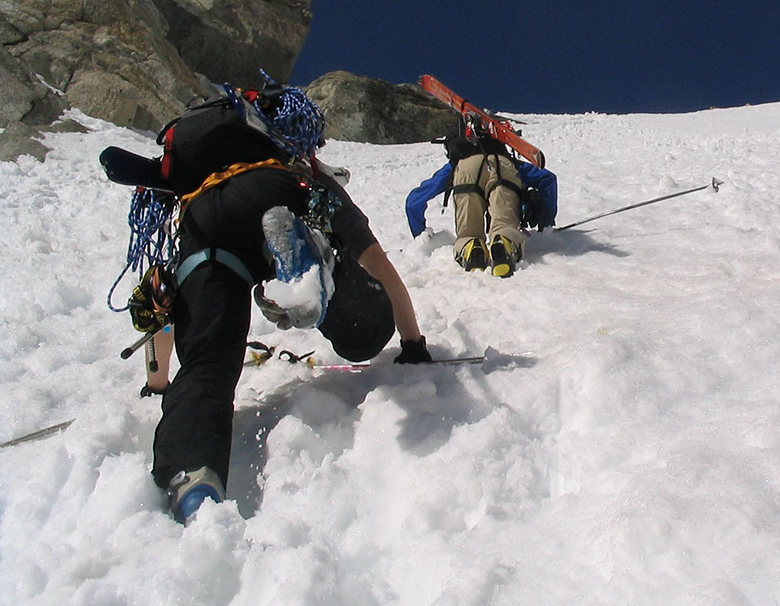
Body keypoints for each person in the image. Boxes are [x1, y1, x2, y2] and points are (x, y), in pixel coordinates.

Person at [113, 78, 432, 523]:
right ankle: (321, 266)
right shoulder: (303, 171)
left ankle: (193, 476)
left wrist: (158, 383)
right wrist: (413, 344)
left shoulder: (194, 179)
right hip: (273, 193)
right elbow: (381, 267)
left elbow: (166, 316)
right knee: (365, 334)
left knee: (207, 361)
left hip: (202, 221)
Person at [405, 114, 558, 277]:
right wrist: (545, 225)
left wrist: (421, 237)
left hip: (465, 171)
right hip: (502, 167)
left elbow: (414, 201)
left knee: (469, 233)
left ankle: (471, 247)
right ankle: (504, 242)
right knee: (504, 226)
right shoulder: (508, 159)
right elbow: (547, 179)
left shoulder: (453, 166)